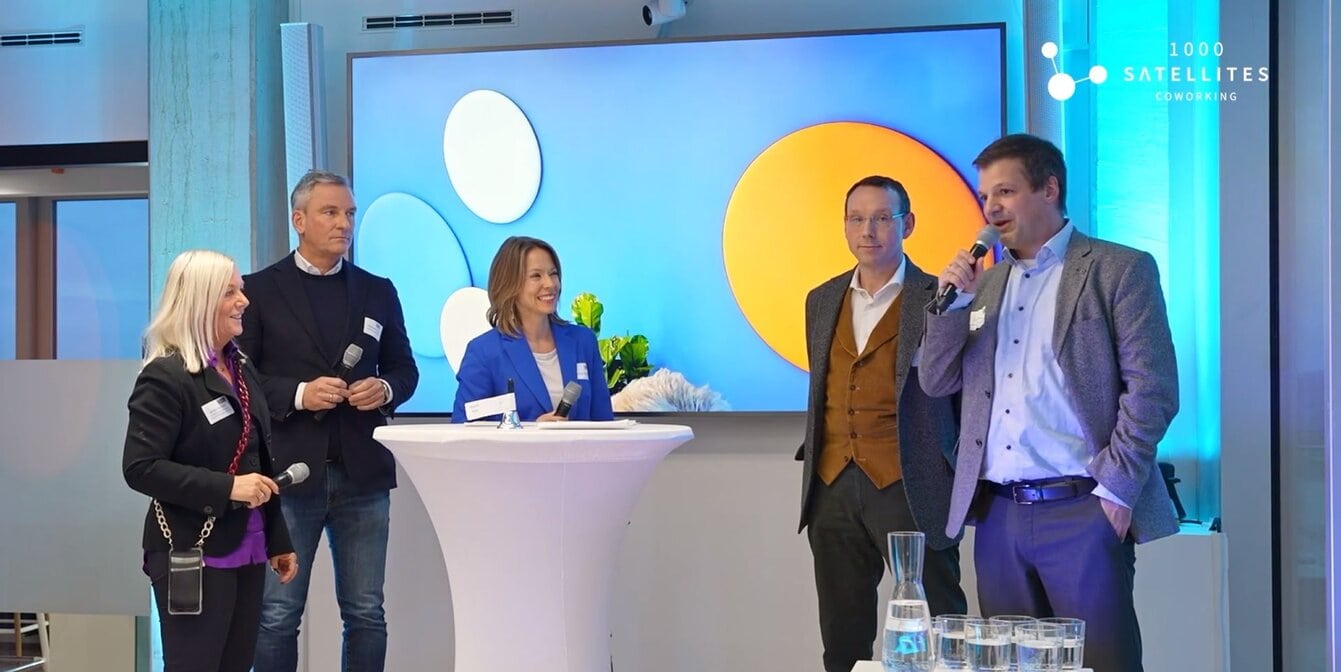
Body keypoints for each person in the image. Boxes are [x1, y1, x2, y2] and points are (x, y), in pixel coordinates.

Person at [919, 134, 1180, 672]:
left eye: (1005, 191)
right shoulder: (984, 286)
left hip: (1082, 507)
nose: (991, 208)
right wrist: (953, 305)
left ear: (1049, 188)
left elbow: (1153, 389)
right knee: (1009, 665)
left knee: (1101, 663)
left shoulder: (1118, 268)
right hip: (999, 516)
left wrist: (1115, 492)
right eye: (985, 195)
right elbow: (936, 381)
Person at [239, 170, 419, 672]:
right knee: (277, 614)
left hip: (363, 475)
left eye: (350, 214)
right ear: (299, 221)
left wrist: (384, 389)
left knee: (366, 613)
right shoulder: (258, 290)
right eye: (331, 212)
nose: (344, 224)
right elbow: (242, 380)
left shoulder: (378, 291)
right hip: (288, 476)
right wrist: (300, 394)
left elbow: (405, 370)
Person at [796, 176, 967, 672]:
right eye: (856, 218)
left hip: (911, 483)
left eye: (880, 218)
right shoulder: (821, 299)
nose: (866, 231)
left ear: (907, 224)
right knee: (842, 639)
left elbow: (959, 390)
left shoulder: (941, 296)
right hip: (831, 486)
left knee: (937, 631)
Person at [122, 250, 299, 672]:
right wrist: (228, 488)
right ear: (200, 300)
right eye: (230, 292)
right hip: (195, 552)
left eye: (241, 290)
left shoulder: (239, 366)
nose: (244, 301)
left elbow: (257, 457)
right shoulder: (166, 376)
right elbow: (141, 467)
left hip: (249, 546)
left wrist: (277, 539)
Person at [452, 236, 613, 422]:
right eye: (536, 276)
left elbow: (604, 423)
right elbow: (464, 428)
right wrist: (533, 430)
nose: (550, 284)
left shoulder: (583, 341)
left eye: (553, 274)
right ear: (510, 284)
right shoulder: (484, 352)